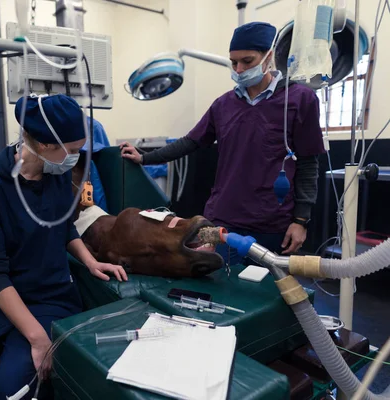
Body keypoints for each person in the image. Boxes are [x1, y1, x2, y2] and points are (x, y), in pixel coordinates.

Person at [0, 94, 128, 400]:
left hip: (49, 296)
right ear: (45, 145)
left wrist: (89, 261)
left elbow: (63, 226)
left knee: (13, 390)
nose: (77, 158)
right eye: (72, 150)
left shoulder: (56, 174)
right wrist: (36, 338)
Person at [120, 22, 325, 265]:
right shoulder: (223, 105)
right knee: (214, 284)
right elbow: (189, 142)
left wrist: (300, 221)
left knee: (262, 293)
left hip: (271, 224)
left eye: (247, 61)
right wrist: (144, 157)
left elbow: (308, 163)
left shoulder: (300, 99)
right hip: (218, 219)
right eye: (233, 62)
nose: (239, 69)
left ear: (269, 57)